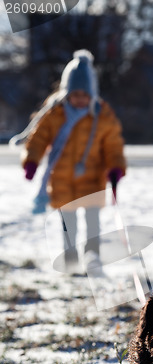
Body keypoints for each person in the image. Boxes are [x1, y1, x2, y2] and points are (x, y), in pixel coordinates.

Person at [12, 49, 126, 272]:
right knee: (68, 224)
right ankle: (71, 258)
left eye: (85, 95)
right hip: (63, 179)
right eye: (75, 94)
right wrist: (31, 161)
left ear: (92, 93)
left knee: (93, 222)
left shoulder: (102, 115)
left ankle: (92, 256)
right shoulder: (54, 113)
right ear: (67, 93)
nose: (80, 99)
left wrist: (115, 168)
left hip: (92, 177)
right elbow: (38, 138)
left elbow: (113, 145)